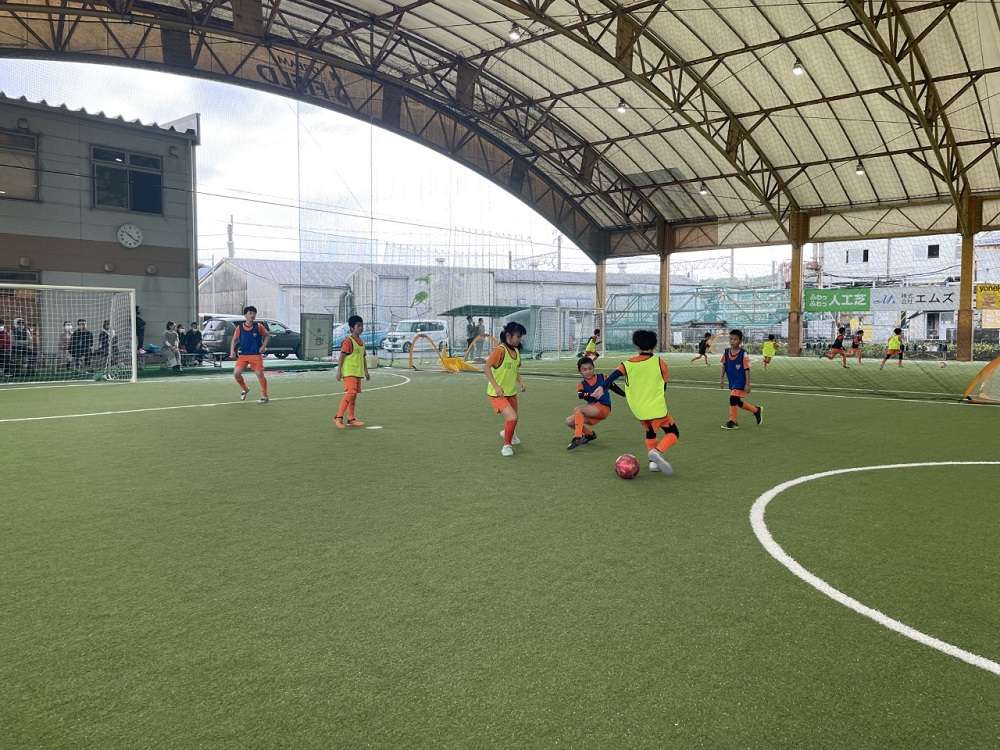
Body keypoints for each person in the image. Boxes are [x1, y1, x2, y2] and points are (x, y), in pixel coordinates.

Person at [591, 330, 678, 475]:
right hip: (657, 409)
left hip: (639, 411)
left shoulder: (627, 364)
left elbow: (611, 377)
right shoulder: (660, 363)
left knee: (650, 432)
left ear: (636, 346)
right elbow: (664, 387)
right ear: (654, 346)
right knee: (673, 433)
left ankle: (653, 464)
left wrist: (602, 388)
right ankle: (656, 452)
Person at [485, 321, 527, 457]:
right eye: (518, 336)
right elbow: (486, 368)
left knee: (515, 418)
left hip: (511, 393)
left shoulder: (516, 351)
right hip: (497, 394)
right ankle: (506, 446)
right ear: (508, 335)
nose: (520, 339)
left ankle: (509, 433)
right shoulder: (500, 350)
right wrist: (496, 386)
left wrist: (521, 382)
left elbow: (515, 370)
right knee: (512, 417)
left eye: (521, 337)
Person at [566, 356, 621, 450]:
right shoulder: (581, 384)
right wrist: (591, 395)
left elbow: (615, 388)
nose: (588, 371)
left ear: (594, 368)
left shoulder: (602, 377)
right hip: (592, 411)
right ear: (580, 371)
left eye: (590, 368)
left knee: (578, 409)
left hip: (603, 408)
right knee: (569, 421)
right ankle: (590, 435)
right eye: (584, 369)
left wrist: (626, 395)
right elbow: (581, 395)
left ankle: (577, 437)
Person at [720, 329, 763, 430]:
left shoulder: (743, 354)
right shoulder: (726, 352)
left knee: (732, 398)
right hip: (732, 381)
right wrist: (721, 379)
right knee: (737, 402)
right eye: (731, 339)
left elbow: (747, 369)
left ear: (740, 341)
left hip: (741, 381)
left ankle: (733, 422)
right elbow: (724, 365)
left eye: (735, 339)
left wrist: (747, 384)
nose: (732, 341)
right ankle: (756, 410)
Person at [334, 315, 370, 428]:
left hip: (358, 373)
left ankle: (351, 419)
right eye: (358, 326)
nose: (361, 328)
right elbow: (342, 357)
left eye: (362, 325)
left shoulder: (362, 342)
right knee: (351, 393)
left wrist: (366, 372)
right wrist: (339, 371)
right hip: (349, 372)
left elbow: (363, 358)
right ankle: (338, 417)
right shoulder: (348, 342)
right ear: (352, 328)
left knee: (354, 396)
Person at [229, 305, 270, 402]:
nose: (252, 315)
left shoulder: (258, 326)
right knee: (236, 374)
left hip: (256, 355)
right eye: (250, 313)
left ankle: (264, 396)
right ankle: (245, 388)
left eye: (254, 313)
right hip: (243, 356)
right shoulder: (239, 328)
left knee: (259, 373)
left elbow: (267, 335)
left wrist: (263, 347)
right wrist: (232, 351)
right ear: (245, 315)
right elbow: (234, 340)